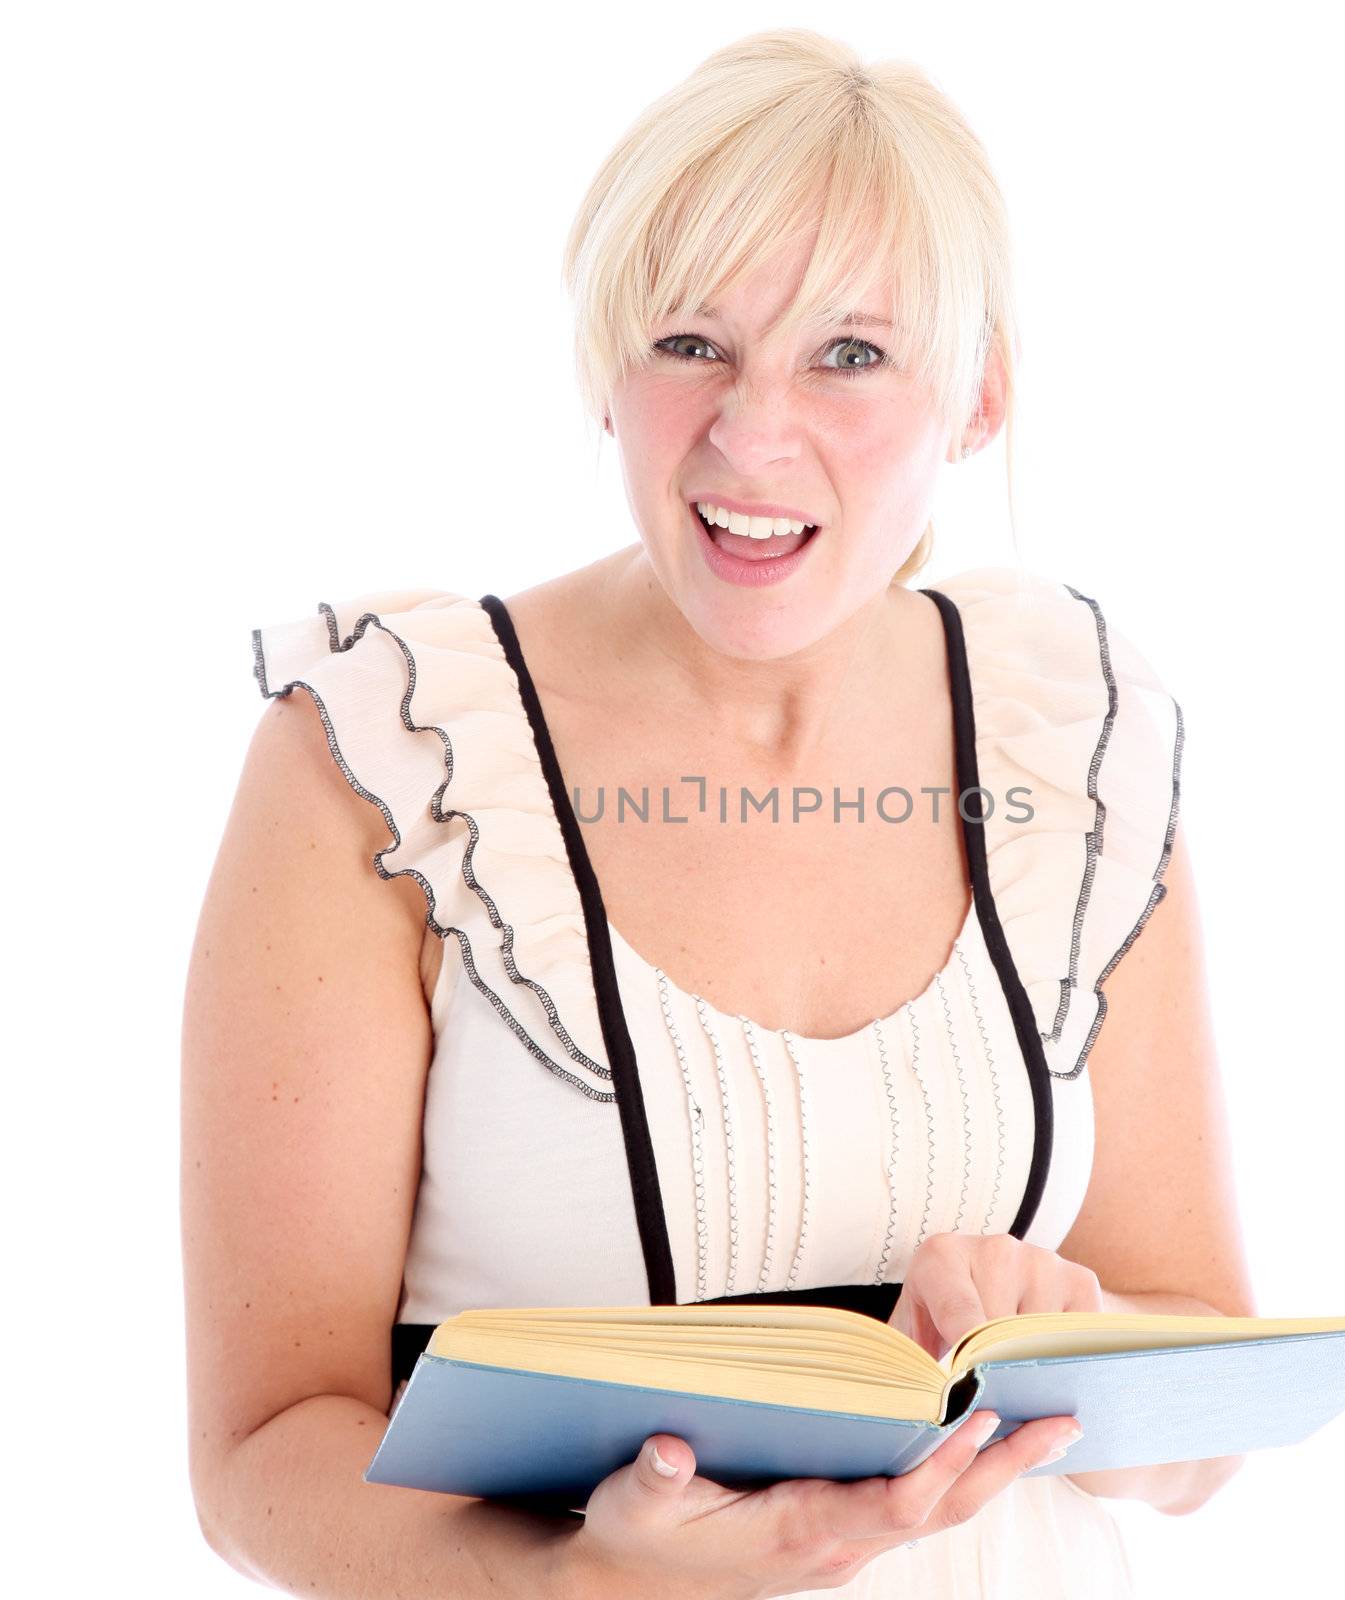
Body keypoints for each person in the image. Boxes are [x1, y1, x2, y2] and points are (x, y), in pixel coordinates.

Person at [182, 27, 1255, 1598]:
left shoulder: (1067, 740)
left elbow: (1204, 1416)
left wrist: (1065, 1341)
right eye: (691, 341)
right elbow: (261, 1454)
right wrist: (581, 1583)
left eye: (853, 353)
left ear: (981, 395)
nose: (752, 437)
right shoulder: (388, 756)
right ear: (606, 365)